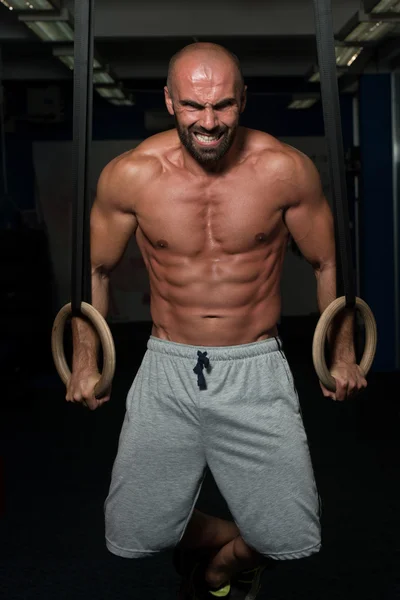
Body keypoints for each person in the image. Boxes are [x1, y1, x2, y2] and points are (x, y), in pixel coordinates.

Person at [66, 43, 367, 599]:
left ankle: (221, 567)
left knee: (289, 536)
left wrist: (341, 353)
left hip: (255, 364)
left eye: (224, 106)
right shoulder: (131, 175)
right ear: (169, 101)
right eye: (193, 106)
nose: (208, 122)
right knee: (135, 531)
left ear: (243, 100)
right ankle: (227, 536)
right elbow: (94, 269)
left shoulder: (283, 170)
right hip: (167, 367)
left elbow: (329, 263)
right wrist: (87, 363)